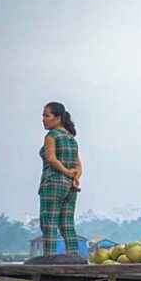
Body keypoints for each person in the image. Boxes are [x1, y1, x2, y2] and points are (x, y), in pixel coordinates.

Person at [39, 102, 82, 256]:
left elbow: (51, 159)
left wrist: (65, 171)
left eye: (46, 115)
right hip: (70, 186)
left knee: (49, 222)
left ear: (57, 118)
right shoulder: (71, 139)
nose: (43, 119)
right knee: (67, 223)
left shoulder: (51, 136)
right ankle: (74, 257)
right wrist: (75, 177)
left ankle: (49, 259)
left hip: (53, 183)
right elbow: (78, 165)